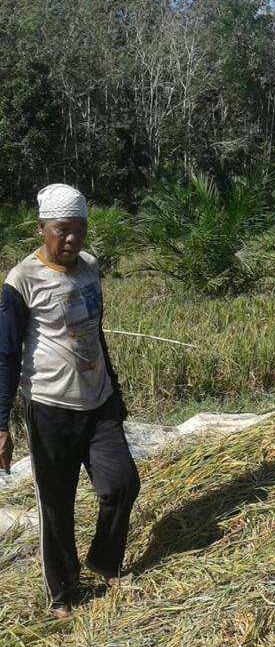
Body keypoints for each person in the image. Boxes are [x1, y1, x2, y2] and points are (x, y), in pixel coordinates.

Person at [0, 184, 140, 617]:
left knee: (121, 484)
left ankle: (104, 560)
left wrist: (113, 388)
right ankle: (62, 592)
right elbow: (5, 353)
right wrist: (1, 424)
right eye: (63, 230)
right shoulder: (21, 280)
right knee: (56, 505)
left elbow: (95, 334)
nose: (72, 240)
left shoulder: (90, 268)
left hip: (98, 403)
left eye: (79, 230)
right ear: (42, 229)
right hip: (50, 408)